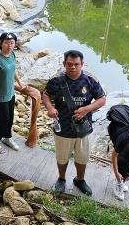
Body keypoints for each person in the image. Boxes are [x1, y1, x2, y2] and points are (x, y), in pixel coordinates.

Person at [42, 50, 106, 195]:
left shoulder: (90, 80)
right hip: (63, 127)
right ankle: (61, 179)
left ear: (82, 64)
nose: (73, 67)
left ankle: (80, 179)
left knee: (82, 157)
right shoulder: (56, 80)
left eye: (76, 64)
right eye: (69, 64)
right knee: (62, 157)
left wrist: (86, 109)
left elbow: (102, 99)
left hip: (83, 128)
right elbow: (45, 95)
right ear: (64, 64)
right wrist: (50, 107)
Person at [0, 32, 27, 150]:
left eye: (12, 43)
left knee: (10, 119)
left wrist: (19, 82)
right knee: (2, 120)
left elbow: (13, 70)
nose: (9, 45)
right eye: (6, 43)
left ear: (15, 44)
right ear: (1, 43)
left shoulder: (12, 55)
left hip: (10, 93)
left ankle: (7, 137)